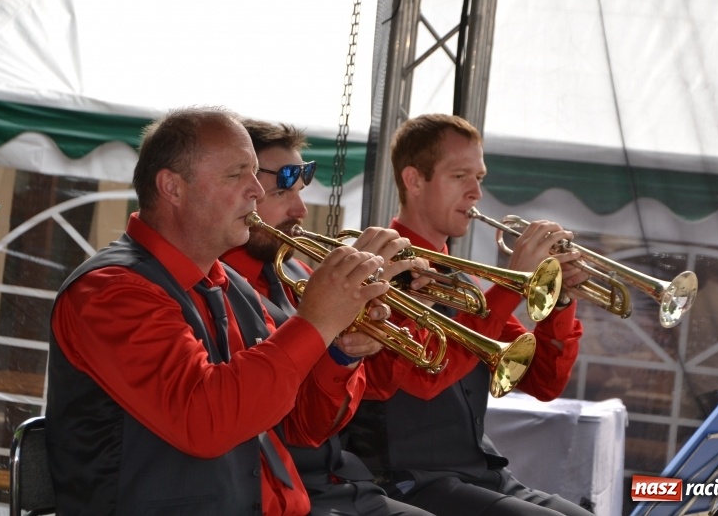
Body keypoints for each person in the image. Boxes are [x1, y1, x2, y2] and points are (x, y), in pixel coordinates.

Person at [45, 106, 393, 515]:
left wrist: (340, 351)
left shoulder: (229, 285)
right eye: (237, 174)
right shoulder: (110, 291)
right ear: (172, 188)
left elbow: (301, 425)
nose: (257, 191)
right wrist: (314, 322)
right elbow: (204, 421)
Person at [343, 113, 594, 516]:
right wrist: (515, 283)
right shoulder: (378, 268)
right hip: (406, 480)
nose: (476, 192)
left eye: (479, 177)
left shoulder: (463, 281)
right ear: (414, 180)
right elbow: (426, 379)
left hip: (477, 473)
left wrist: (558, 302)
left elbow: (545, 382)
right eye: (460, 176)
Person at [221, 119, 435, 516]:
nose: (300, 210)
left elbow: (380, 389)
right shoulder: (216, 289)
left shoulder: (301, 276)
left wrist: (355, 342)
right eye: (283, 191)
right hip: (277, 491)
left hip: (339, 481)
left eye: (301, 192)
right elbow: (296, 427)